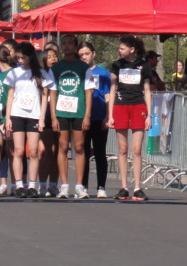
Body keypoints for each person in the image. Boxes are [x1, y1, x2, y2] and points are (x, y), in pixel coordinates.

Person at [5, 42, 56, 198]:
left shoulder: (41, 73)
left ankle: (32, 185)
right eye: (18, 58)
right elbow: (10, 95)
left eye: (23, 58)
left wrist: (42, 118)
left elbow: (45, 96)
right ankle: (19, 185)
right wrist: (8, 118)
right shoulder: (14, 73)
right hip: (17, 114)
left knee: (33, 152)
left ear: (31, 57)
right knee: (18, 151)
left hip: (34, 115)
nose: (20, 61)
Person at [107, 35, 152, 201]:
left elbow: (147, 91)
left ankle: (138, 187)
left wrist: (149, 115)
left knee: (136, 149)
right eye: (119, 48)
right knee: (123, 149)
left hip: (138, 106)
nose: (119, 51)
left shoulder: (143, 65)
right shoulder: (116, 65)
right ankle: (124, 187)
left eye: (122, 48)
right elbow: (112, 90)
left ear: (132, 49)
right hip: (120, 106)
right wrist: (110, 115)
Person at [50, 35, 94, 199]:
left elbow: (88, 92)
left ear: (75, 47)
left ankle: (79, 186)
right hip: (61, 112)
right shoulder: (56, 68)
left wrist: (87, 115)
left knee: (79, 147)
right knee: (62, 146)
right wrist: (53, 117)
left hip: (79, 112)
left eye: (70, 43)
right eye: (64, 43)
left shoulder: (83, 68)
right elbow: (52, 93)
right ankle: (64, 186)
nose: (67, 46)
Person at [78, 42, 111, 199]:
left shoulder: (103, 73)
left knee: (100, 153)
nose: (84, 57)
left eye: (87, 54)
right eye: (81, 55)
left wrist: (108, 116)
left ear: (93, 54)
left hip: (99, 117)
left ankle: (101, 187)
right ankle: (83, 186)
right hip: (82, 118)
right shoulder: (78, 71)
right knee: (83, 153)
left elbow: (108, 96)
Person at [0, 45, 16, 196]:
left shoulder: (13, 73)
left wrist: (9, 117)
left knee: (12, 152)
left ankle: (15, 184)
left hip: (9, 118)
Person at [38, 47, 59, 197]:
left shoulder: (60, 73)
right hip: (45, 115)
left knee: (57, 151)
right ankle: (41, 184)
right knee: (45, 151)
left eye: (55, 56)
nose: (53, 59)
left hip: (61, 112)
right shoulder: (40, 74)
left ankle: (53, 184)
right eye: (50, 56)